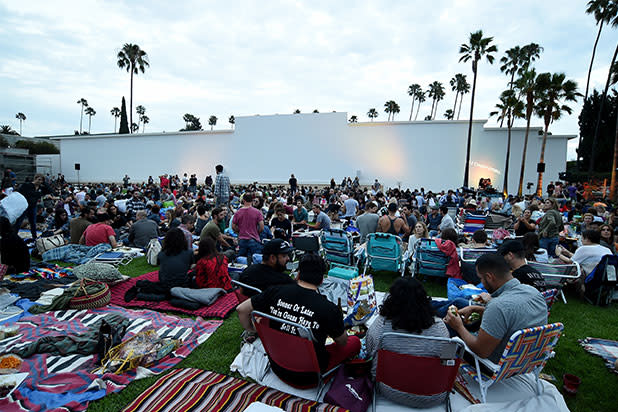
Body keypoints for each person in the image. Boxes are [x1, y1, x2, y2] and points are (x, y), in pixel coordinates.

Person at [237, 253, 361, 387]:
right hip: (309, 377)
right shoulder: (328, 309)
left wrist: (254, 331)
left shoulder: (274, 291)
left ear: (298, 274)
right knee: (354, 342)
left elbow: (241, 309)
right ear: (321, 280)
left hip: (277, 366)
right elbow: (342, 342)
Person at [444, 253, 547, 364]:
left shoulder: (498, 306)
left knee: (447, 328)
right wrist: (481, 310)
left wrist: (458, 327)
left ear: (489, 277)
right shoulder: (534, 292)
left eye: (481, 279)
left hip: (494, 365)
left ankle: (444, 368)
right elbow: (515, 318)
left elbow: (481, 351)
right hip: (526, 361)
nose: (481, 283)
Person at [365, 277, 449, 407]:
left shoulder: (381, 326)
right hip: (433, 395)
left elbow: (370, 352)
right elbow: (448, 361)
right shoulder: (440, 328)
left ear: (392, 300)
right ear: (423, 300)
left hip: (390, 390)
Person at [14, 174, 52, 239]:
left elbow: (50, 190)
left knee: (33, 222)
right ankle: (13, 236)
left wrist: (44, 182)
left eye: (41, 180)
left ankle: (34, 236)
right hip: (24, 206)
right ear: (35, 179)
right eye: (39, 179)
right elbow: (19, 193)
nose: (40, 181)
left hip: (33, 206)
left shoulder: (41, 188)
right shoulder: (27, 185)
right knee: (19, 221)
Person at [233, 193, 264, 259]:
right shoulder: (257, 212)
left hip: (242, 239)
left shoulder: (238, 212)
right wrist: (256, 232)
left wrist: (240, 231)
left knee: (241, 260)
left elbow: (233, 226)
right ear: (252, 200)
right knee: (255, 260)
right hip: (254, 238)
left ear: (243, 201)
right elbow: (261, 227)